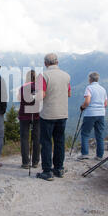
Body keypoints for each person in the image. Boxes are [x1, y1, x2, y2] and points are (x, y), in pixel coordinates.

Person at [36, 53, 71, 181]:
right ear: (57, 62)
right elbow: (69, 93)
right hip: (62, 113)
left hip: (48, 114)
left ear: (45, 63)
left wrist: (34, 97)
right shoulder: (66, 76)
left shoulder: (43, 76)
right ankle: (59, 168)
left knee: (46, 142)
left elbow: (41, 95)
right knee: (59, 141)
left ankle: (47, 171)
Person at [78, 72, 108, 161]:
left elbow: (87, 102)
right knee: (99, 135)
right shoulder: (103, 89)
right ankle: (99, 155)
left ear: (90, 79)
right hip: (101, 113)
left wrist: (82, 107)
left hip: (90, 113)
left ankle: (85, 154)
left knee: (85, 133)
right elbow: (105, 104)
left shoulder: (89, 88)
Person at [17, 70, 40, 169]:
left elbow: (18, 99)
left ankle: (25, 162)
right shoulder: (39, 88)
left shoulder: (22, 88)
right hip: (37, 115)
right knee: (37, 138)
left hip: (24, 115)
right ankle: (35, 162)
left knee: (24, 138)